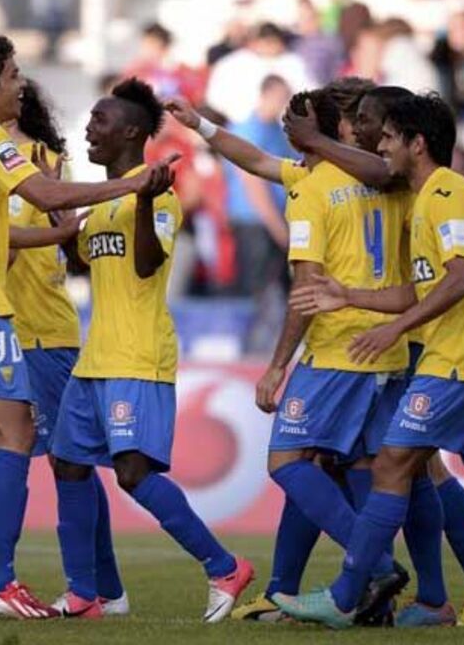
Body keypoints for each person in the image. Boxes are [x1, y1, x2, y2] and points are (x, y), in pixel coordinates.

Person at [0, 34, 175, 619]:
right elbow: (44, 194)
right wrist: (131, 183)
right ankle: (0, 581)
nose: (21, 83)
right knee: (21, 435)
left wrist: (56, 232)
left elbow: (2, 230)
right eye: (13, 73)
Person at [276, 93, 464, 635]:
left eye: (391, 137)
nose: (383, 147)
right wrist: (346, 294)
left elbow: (460, 277)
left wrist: (395, 330)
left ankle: (349, 593)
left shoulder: (446, 192)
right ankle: (392, 593)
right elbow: (421, 287)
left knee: (394, 463)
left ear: (417, 143)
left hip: (458, 361)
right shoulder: (425, 200)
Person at [167, 89, 412, 625]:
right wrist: (201, 126)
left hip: (337, 346)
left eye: (291, 127)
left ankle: (373, 567)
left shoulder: (312, 191)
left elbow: (304, 292)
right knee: (361, 465)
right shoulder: (375, 180)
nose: (283, 136)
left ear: (310, 131)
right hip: (387, 343)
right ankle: (375, 600)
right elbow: (253, 160)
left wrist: (277, 365)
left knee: (286, 460)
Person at [49, 78, 253, 622]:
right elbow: (84, 266)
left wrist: (140, 199)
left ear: (132, 133)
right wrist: (63, 224)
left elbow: (144, 263)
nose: (89, 129)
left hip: (138, 355)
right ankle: (86, 594)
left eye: (100, 120)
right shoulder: (102, 201)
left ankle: (224, 566)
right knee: (67, 463)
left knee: (134, 474)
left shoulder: (158, 196)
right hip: (95, 358)